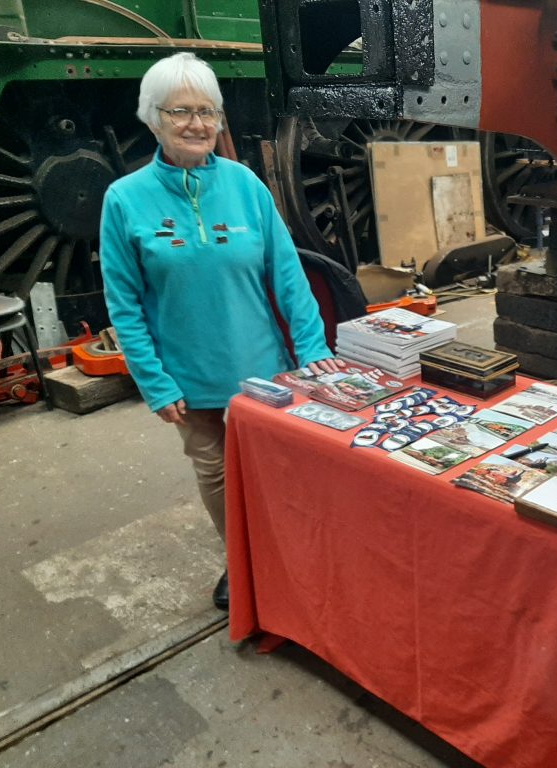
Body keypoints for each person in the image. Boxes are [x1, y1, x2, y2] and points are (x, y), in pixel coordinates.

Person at [100, 52, 341, 611]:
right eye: (181, 111)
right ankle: (243, 561)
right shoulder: (124, 200)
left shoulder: (246, 186)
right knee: (215, 473)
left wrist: (312, 353)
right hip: (190, 377)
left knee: (281, 470)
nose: (197, 124)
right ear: (152, 116)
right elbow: (125, 304)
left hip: (269, 368)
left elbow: (289, 277)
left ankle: (293, 557)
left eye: (208, 111)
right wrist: (155, 383)